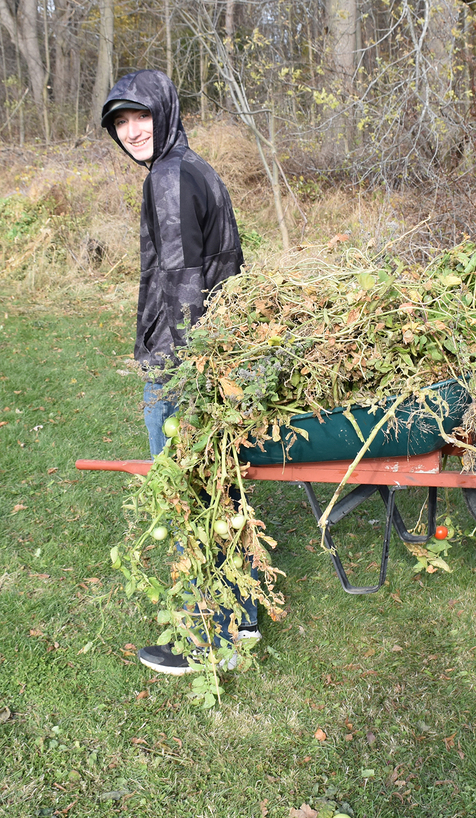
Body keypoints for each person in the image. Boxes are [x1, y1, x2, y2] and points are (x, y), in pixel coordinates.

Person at [100, 69, 258, 675]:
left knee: (188, 494)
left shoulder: (169, 178)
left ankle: (202, 635)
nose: (133, 130)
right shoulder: (193, 167)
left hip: (183, 361)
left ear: (164, 112)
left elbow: (181, 280)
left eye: (142, 116)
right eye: (121, 121)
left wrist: (178, 371)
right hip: (214, 351)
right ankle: (239, 615)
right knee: (220, 486)